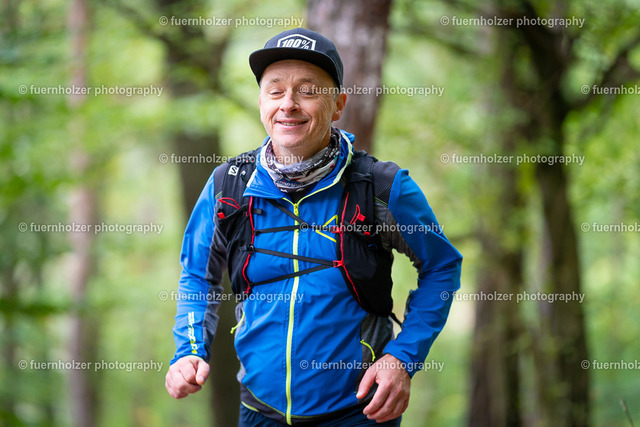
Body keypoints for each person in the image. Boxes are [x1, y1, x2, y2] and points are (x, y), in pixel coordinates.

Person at [165, 28, 462, 426]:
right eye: (275, 91)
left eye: (307, 91)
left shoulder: (380, 187)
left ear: (338, 104)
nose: (288, 104)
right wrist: (188, 350)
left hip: (358, 412)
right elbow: (197, 274)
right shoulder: (228, 186)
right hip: (258, 411)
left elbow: (442, 265)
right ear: (261, 102)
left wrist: (403, 358)